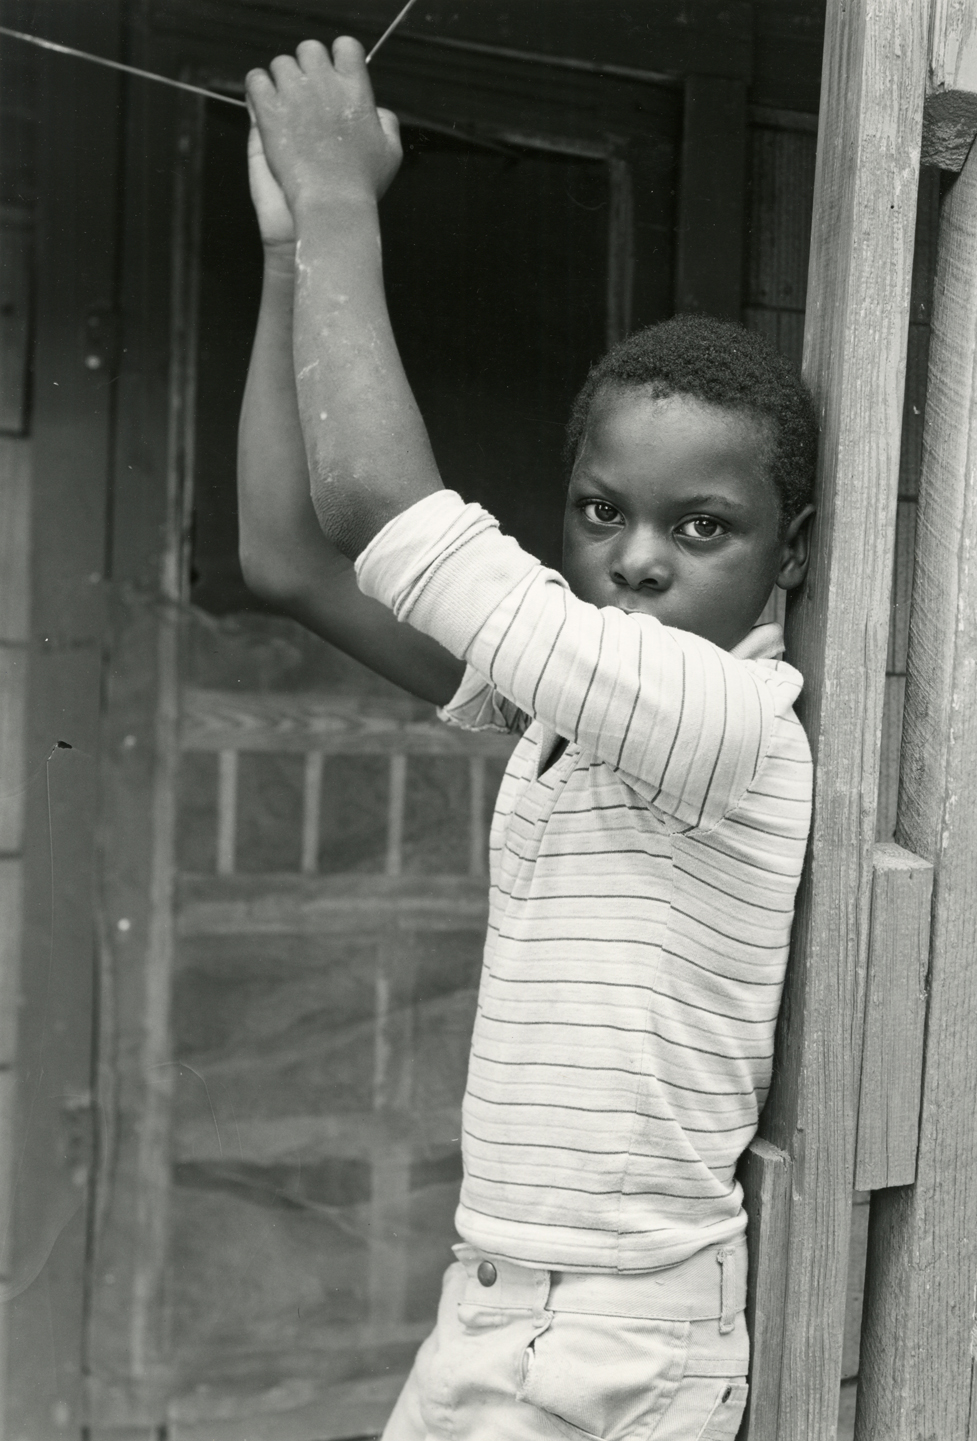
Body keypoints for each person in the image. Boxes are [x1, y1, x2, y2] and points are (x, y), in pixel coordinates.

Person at [237, 36, 816, 1440]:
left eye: (703, 526)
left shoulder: (728, 722)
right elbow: (291, 557)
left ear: (788, 557)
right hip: (494, 1304)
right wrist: (289, 251)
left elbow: (379, 502)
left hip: (617, 1340)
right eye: (603, 510)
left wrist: (343, 201)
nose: (637, 558)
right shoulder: (568, 709)